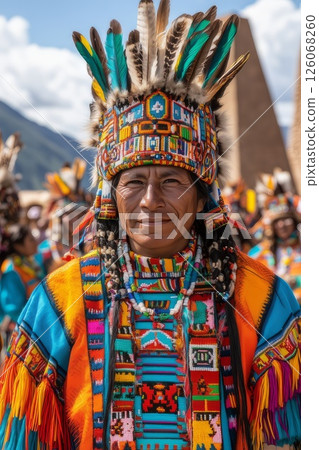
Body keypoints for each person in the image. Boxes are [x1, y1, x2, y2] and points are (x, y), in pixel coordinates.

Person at [0, 2, 300, 449]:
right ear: (110, 195)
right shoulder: (59, 302)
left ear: (203, 195)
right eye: (134, 181)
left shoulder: (260, 299)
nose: (150, 201)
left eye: (173, 180)